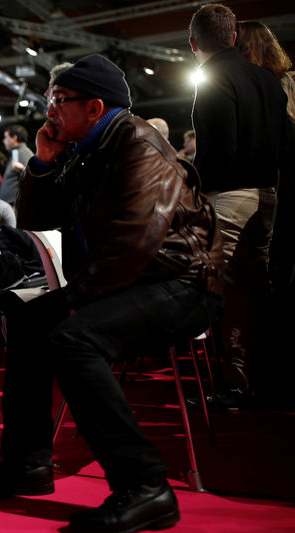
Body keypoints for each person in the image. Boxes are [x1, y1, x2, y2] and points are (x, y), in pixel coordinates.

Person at [0, 55, 223, 532]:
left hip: (180, 285)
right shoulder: (86, 149)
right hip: (132, 280)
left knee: (70, 337)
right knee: (26, 318)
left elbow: (134, 240)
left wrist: (78, 295)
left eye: (59, 101)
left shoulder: (138, 142)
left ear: (95, 106)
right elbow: (36, 221)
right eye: (50, 100)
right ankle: (28, 464)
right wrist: (41, 162)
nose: (50, 110)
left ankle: (146, 486)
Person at [189, 4, 288, 401]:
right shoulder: (266, 79)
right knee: (260, 289)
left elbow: (218, 152)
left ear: (193, 43)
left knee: (229, 296)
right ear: (232, 37)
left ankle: (237, 386)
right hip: (268, 196)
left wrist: (196, 190)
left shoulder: (214, 77)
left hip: (230, 197)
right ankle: (268, 380)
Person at [235, 19, 295, 403]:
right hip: (280, 190)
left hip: (278, 191)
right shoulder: (285, 79)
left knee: (270, 282)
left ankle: (268, 380)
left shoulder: (268, 85)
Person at [0, 125, 34, 205]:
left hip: (15, 204)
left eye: (6, 137)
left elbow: (32, 177)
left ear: (14, 138)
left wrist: (22, 168)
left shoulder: (23, 153)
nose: (4, 140)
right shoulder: (17, 152)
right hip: (12, 203)